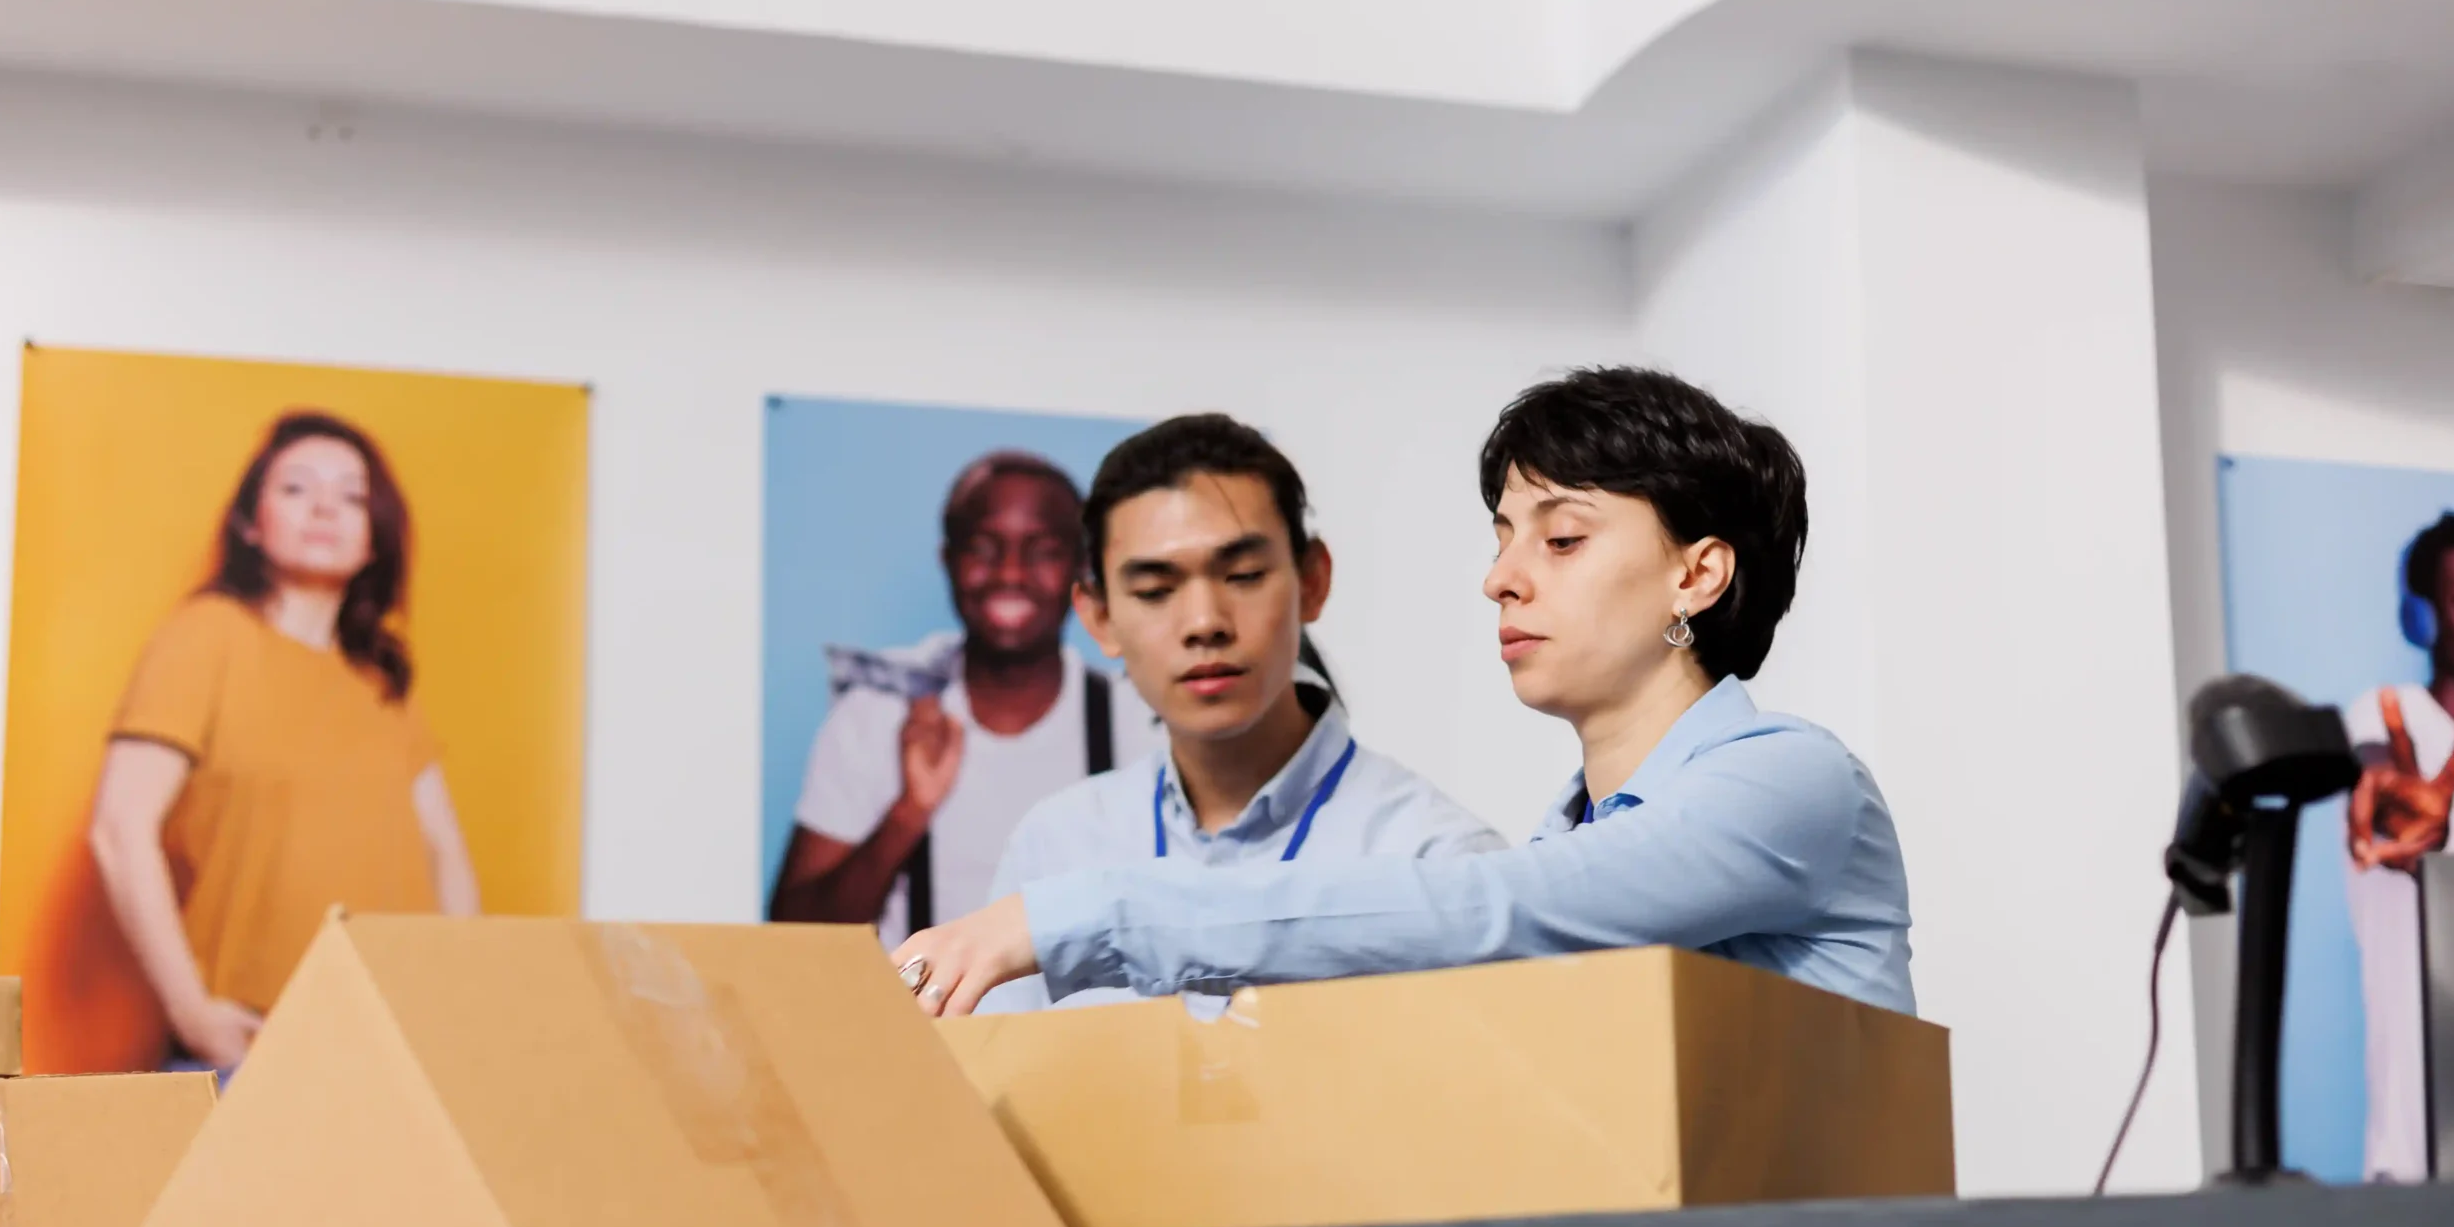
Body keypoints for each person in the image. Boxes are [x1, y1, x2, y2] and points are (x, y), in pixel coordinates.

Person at [889, 366, 1913, 1019]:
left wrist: (1086, 914)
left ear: (1697, 573)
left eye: (1559, 538)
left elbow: (1494, 910)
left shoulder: (1791, 782)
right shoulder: (1565, 834)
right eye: (1502, 538)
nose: (1501, 578)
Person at [977, 415, 1503, 1012]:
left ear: (1313, 581)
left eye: (1244, 575)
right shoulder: (1056, 848)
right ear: (1099, 617)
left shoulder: (1438, 859)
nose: (1205, 622)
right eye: (1155, 589)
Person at [90, 411, 481, 1074]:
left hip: (397, 1048)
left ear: (373, 541)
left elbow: (444, 849)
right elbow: (119, 828)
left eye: (352, 495)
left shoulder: (381, 677)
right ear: (249, 522)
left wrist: (456, 1005)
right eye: (296, 488)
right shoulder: (208, 635)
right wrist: (192, 1014)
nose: (325, 506)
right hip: (254, 1045)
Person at [770, 451, 1161, 947]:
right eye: (983, 547)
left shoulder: (1138, 723)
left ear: (1082, 569)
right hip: (917, 1024)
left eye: (1042, 550)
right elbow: (793, 935)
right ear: (948, 560)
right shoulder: (877, 713)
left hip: (1087, 1025)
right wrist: (908, 814)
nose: (1011, 573)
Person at [2342, 511, 2454, 1182]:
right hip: (2414, 1144)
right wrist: (2404, 819)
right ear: (2422, 618)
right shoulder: (2381, 716)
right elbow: (2382, 795)